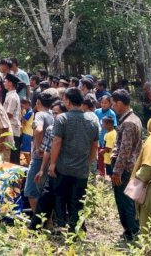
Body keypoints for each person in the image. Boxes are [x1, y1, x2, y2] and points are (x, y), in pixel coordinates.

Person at [48, 87, 99, 233]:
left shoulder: (62, 119)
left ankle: (62, 226)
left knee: (61, 198)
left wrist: (52, 164)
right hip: (81, 169)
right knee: (77, 201)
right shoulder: (92, 122)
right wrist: (88, 162)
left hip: (63, 167)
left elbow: (56, 141)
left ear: (68, 101)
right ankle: (76, 229)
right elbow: (94, 145)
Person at [110, 88, 143, 242]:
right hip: (130, 167)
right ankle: (131, 232)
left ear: (121, 103)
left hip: (124, 169)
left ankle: (133, 233)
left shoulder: (129, 123)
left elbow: (125, 149)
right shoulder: (133, 118)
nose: (112, 107)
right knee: (127, 201)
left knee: (125, 202)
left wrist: (117, 171)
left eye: (114, 104)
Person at [24, 91, 56, 212]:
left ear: (37, 102)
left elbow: (38, 130)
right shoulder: (52, 114)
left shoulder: (40, 115)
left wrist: (38, 148)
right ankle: (48, 223)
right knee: (45, 191)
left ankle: (37, 224)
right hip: (50, 157)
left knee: (31, 191)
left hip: (39, 158)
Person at [3, 73, 23, 164]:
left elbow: (9, 114)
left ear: (10, 83)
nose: (4, 83)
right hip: (11, 128)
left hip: (12, 128)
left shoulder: (12, 97)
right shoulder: (10, 95)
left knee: (13, 155)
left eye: (5, 81)